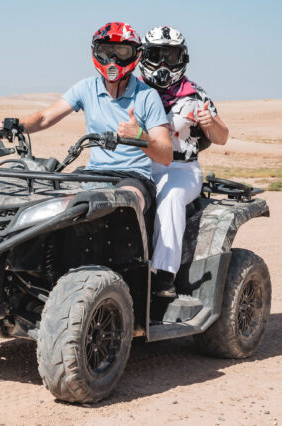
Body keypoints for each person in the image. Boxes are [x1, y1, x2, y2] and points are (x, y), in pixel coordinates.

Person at [0, 21, 172, 217]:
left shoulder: (147, 96)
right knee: (50, 205)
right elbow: (45, 118)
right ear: (95, 52)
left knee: (124, 203)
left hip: (133, 177)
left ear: (135, 54)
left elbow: (165, 156)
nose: (113, 59)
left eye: (122, 52)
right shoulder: (87, 88)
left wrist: (140, 136)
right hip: (93, 174)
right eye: (106, 51)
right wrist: (12, 125)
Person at [120, 26, 229, 297]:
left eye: (170, 57)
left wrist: (209, 122)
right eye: (156, 56)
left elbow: (222, 137)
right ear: (143, 56)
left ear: (183, 58)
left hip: (180, 168)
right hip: (136, 167)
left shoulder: (196, 96)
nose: (163, 65)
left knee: (171, 196)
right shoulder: (131, 91)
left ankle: (163, 275)